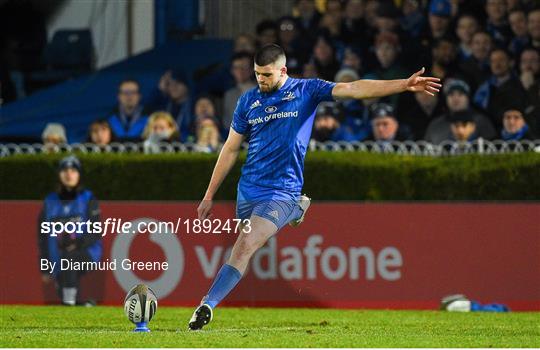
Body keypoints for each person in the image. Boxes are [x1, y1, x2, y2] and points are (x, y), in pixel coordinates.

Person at [188, 44, 441, 330]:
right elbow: (231, 148)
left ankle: (206, 305)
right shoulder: (248, 102)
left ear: (283, 71)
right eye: (257, 74)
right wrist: (209, 194)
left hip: (282, 190)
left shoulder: (307, 90)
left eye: (267, 75)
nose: (261, 80)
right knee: (245, 246)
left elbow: (355, 88)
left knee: (245, 245)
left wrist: (403, 85)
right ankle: (296, 211)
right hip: (248, 190)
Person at [38, 155, 102, 306]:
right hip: (57, 255)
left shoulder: (88, 198)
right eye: (65, 170)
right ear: (59, 175)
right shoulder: (50, 201)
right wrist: (45, 264)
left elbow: (96, 230)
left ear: (79, 174)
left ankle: (69, 303)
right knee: (63, 282)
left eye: (73, 170)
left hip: (87, 252)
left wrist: (77, 243)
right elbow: (42, 237)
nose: (69, 174)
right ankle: (81, 304)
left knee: (70, 259)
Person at [425, 79, 496, 143]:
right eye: (451, 94)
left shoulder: (482, 122)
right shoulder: (435, 125)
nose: (455, 99)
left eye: (460, 94)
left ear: (468, 98)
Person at [473, 48, 528, 130]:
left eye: (501, 60)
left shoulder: (519, 85)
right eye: (493, 61)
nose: (497, 64)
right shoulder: (484, 86)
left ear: (511, 63)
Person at [149, 70, 193, 141]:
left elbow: (192, 132)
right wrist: (160, 88)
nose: (173, 87)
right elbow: (149, 107)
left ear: (186, 86)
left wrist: (175, 135)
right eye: (169, 84)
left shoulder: (193, 105)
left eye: (178, 83)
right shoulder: (165, 105)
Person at [223, 52, 256, 129]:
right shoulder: (229, 94)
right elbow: (227, 123)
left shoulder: (264, 91)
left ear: (252, 70)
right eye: (236, 67)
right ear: (232, 71)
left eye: (244, 67)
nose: (240, 71)